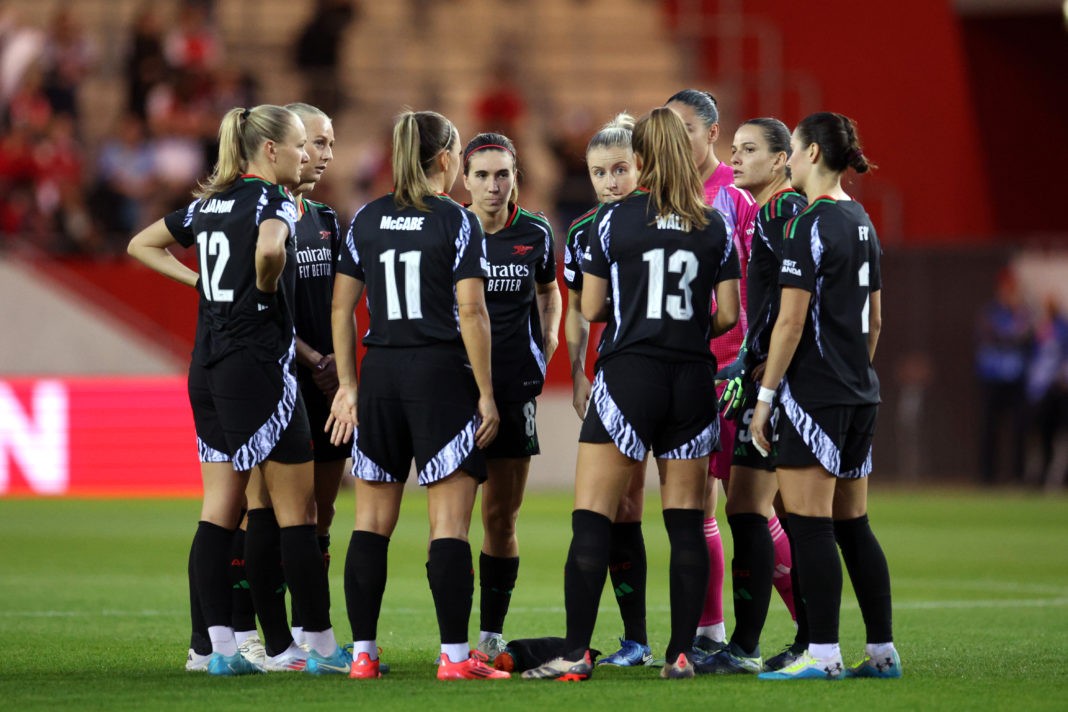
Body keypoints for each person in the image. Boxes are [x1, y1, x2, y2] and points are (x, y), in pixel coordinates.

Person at [523, 107, 740, 681]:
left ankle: (574, 652)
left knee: (593, 517)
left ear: (639, 160)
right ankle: (682, 654)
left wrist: (638, 314)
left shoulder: (611, 221)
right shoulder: (713, 223)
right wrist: (685, 328)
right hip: (692, 380)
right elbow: (728, 316)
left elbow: (591, 308)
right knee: (687, 523)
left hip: (629, 376)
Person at [127, 104, 345, 676]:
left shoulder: (210, 203)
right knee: (295, 513)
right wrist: (267, 290)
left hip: (207, 366)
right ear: (270, 151)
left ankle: (212, 647)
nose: (306, 155)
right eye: (300, 145)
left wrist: (204, 284)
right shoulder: (273, 199)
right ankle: (284, 649)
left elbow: (142, 244)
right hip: (258, 368)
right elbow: (271, 250)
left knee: (220, 511)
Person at [318, 109, 508, 681]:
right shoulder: (458, 220)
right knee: (448, 525)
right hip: (439, 376)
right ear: (447, 159)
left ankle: (362, 656)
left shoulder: (367, 218)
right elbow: (472, 311)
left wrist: (349, 385)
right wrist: (487, 392)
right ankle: (454, 658)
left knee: (370, 524)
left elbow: (340, 308)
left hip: (380, 376)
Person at [750, 112, 900, 680]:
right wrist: (856, 374)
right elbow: (877, 320)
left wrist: (766, 397)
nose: (786, 157)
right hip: (861, 393)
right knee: (853, 525)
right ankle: (882, 653)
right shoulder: (862, 219)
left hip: (816, 393)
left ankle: (823, 655)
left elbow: (790, 323)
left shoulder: (807, 222)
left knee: (810, 525)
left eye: (790, 147)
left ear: (812, 153)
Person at [666, 88, 796, 657]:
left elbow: (753, 293)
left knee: (752, 505)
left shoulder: (737, 198)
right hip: (686, 367)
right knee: (697, 505)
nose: (675, 141)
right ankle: (711, 633)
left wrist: (747, 363)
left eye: (686, 129)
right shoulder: (662, 195)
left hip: (734, 370)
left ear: (710, 133)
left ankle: (815, 632)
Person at [694, 117, 806, 675]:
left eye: (750, 150)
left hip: (775, 383)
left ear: (783, 159)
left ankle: (775, 643)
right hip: (763, 376)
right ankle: (763, 643)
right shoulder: (766, 213)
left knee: (770, 511)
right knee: (753, 509)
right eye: (733, 149)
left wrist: (755, 373)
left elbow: (793, 306)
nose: (735, 159)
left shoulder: (784, 212)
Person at [460, 132, 561, 662]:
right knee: (450, 519)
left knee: (501, 517)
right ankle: (453, 638)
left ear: (516, 175)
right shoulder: (449, 230)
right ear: (464, 178)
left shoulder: (536, 231)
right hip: (455, 392)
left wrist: (548, 340)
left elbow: (550, 292)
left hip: (515, 387)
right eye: (482, 175)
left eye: (503, 174)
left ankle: (491, 633)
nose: (494, 186)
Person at [563, 113, 656, 668]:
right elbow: (577, 311)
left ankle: (655, 637)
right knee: (623, 508)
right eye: (599, 172)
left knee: (638, 507)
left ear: (640, 168)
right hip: (614, 375)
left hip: (647, 376)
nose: (609, 182)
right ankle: (636, 639)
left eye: (619, 169)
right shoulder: (582, 232)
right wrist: (578, 369)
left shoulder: (658, 220)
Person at [975, 268, 1032, 484]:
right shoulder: (990, 313)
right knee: (990, 428)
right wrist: (1013, 335)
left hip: (1015, 379)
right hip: (992, 378)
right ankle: (987, 476)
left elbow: (1027, 337)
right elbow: (991, 335)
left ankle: (1018, 475)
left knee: (1019, 428)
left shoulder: (1022, 314)